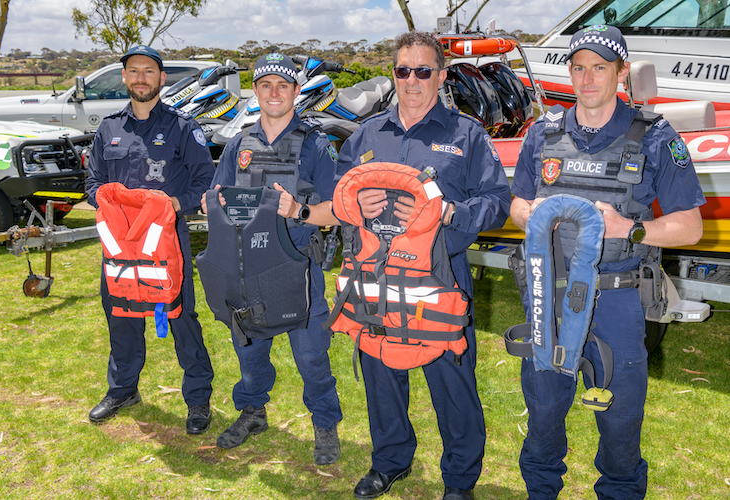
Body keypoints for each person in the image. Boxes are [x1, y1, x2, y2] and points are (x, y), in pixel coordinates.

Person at [510, 25, 704, 499]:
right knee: (543, 412)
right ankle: (540, 490)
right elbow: (517, 203)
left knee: (619, 420)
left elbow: (690, 227)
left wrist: (630, 229)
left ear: (621, 72)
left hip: (616, 300)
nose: (588, 78)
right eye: (579, 68)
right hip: (550, 298)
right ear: (570, 73)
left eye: (600, 67)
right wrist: (531, 217)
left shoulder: (655, 137)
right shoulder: (543, 133)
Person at [336, 31, 512, 500]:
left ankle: (459, 481)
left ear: (441, 75)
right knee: (381, 377)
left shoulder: (467, 135)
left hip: (440, 280)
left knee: (453, 385)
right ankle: (389, 462)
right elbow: (339, 193)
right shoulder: (367, 134)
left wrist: (452, 212)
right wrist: (355, 202)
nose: (411, 80)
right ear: (393, 74)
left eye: (422, 71)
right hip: (376, 280)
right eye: (402, 70)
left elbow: (497, 202)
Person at [202, 53, 343, 465]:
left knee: (312, 356)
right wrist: (212, 206)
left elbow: (338, 210)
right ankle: (252, 411)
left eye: (283, 85)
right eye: (266, 85)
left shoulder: (316, 143)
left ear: (296, 91)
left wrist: (298, 209)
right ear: (255, 91)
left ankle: (324, 423)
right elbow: (216, 199)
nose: (274, 93)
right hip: (247, 269)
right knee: (249, 352)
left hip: (298, 267)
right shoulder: (238, 144)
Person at [86, 45, 215, 435]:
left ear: (161, 78)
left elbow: (205, 180)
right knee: (120, 314)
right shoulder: (109, 128)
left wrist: (175, 203)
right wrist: (109, 204)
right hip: (120, 245)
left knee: (181, 317)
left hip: (165, 242)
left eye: (149, 71)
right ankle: (123, 390)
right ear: (124, 77)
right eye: (134, 71)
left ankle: (198, 399)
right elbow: (92, 183)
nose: (141, 78)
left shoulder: (182, 127)